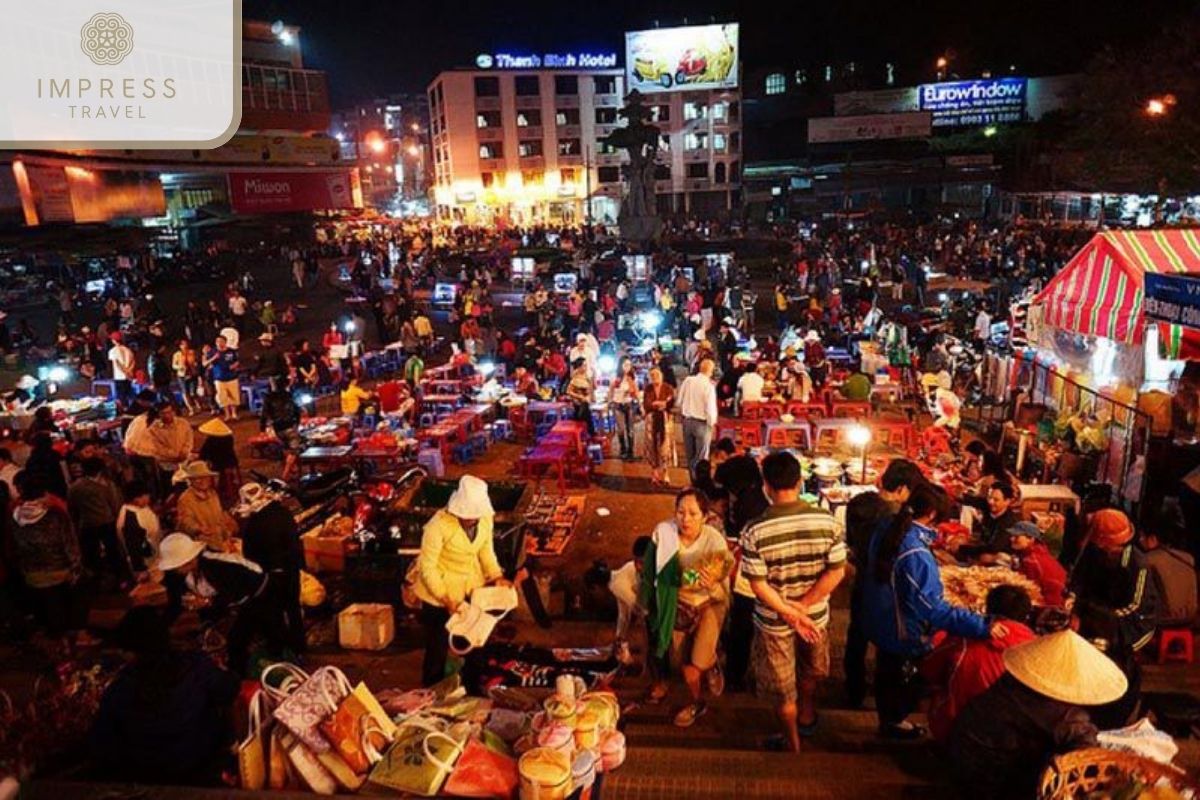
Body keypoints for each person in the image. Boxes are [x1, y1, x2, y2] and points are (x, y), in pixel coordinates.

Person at [863, 483, 1004, 739]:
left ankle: (888, 721)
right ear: (930, 515)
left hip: (881, 619)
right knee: (909, 681)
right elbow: (933, 609)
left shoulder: (887, 527)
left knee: (887, 674)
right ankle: (893, 724)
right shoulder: (916, 552)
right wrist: (981, 625)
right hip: (903, 630)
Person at [740, 452, 846, 751]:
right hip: (815, 617)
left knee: (784, 689)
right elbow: (836, 571)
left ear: (766, 486)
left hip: (775, 622)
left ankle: (793, 743)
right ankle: (808, 716)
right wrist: (804, 606)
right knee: (811, 671)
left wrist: (789, 611)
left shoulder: (754, 531)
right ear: (800, 482)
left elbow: (758, 586)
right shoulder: (827, 521)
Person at [947, 630, 1126, 800]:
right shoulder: (1063, 715)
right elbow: (1085, 755)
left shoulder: (1013, 679)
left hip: (962, 754)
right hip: (992, 781)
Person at [88, 607, 239, 785]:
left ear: (128, 651)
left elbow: (101, 747)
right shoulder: (194, 665)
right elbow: (229, 688)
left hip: (150, 776)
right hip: (200, 766)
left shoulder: (120, 689)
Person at [639, 489, 733, 727]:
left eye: (693, 513)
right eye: (680, 512)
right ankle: (703, 680)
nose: (686, 519)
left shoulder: (714, 539)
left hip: (709, 602)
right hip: (677, 605)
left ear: (705, 516)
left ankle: (701, 686)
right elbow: (650, 571)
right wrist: (646, 603)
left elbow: (724, 573)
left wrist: (711, 580)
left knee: (695, 664)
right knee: (680, 662)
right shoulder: (664, 533)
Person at [843, 459, 926, 709]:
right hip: (885, 587)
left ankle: (853, 691)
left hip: (861, 581)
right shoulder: (893, 518)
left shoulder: (859, 504)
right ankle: (886, 703)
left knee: (856, 638)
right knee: (886, 644)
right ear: (902, 489)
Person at [412, 475, 510, 686]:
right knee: (437, 649)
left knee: (474, 643)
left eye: (475, 515)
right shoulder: (436, 526)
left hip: (470, 588)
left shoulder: (485, 519)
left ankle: (473, 689)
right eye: (468, 515)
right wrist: (446, 599)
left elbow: (486, 550)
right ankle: (429, 694)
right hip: (437, 595)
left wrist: (496, 576)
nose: (472, 519)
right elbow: (427, 567)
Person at [1070, 508, 1158, 728]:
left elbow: (1136, 606)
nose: (1112, 549)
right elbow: (1078, 581)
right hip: (1097, 611)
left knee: (1111, 657)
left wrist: (1095, 619)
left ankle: (1108, 711)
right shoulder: (1093, 551)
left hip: (1128, 620)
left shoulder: (1137, 564)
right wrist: (1073, 601)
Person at [156, 533, 287, 674]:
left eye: (176, 566)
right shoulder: (179, 576)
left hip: (259, 594)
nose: (174, 570)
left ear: (189, 560)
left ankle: (276, 667)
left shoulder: (218, 565)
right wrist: (160, 629)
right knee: (233, 641)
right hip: (234, 603)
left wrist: (207, 602)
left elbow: (238, 592)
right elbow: (176, 603)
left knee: (245, 639)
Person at [921, 585, 1037, 741]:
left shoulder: (962, 639)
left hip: (959, 735)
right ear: (1026, 617)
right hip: (1017, 741)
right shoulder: (1037, 648)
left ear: (988, 609)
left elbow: (929, 671)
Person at [10, 472, 87, 642]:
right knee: (79, 589)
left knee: (49, 604)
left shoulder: (15, 516)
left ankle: (58, 639)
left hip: (32, 573)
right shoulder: (54, 515)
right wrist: (76, 568)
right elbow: (70, 545)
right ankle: (79, 635)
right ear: (43, 492)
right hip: (58, 570)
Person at [235, 482, 305, 655]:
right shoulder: (283, 513)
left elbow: (250, 555)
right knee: (293, 608)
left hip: (270, 575)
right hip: (290, 570)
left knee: (274, 613)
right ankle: (299, 647)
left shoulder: (255, 524)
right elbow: (295, 542)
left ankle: (279, 650)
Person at [67, 457, 127, 586]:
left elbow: (72, 507)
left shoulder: (75, 487)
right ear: (100, 470)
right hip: (107, 522)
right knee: (113, 551)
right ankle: (118, 578)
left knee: (92, 553)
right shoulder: (106, 485)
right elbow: (115, 505)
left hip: (87, 524)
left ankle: (98, 578)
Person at [1139, 525, 1197, 627]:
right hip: (1191, 616)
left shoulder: (1148, 560)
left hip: (1165, 619)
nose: (1140, 541)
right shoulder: (1188, 558)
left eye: (1142, 537)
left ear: (1153, 539)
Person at [175, 461, 237, 553]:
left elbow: (220, 516)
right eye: (197, 478)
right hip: (202, 546)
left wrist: (228, 533)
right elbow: (185, 521)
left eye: (205, 477)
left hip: (219, 542)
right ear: (191, 480)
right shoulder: (185, 499)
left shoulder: (212, 494)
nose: (202, 481)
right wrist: (198, 528)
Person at [609, 535, 651, 665]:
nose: (639, 567)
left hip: (636, 593)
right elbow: (642, 611)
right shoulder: (620, 585)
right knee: (628, 619)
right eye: (637, 562)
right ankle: (624, 657)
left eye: (644, 562)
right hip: (629, 593)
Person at [1009, 521, 1068, 607]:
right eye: (1012, 535)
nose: (1011, 538)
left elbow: (1027, 590)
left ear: (1031, 539)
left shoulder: (1032, 560)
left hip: (1049, 605)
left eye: (1016, 536)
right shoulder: (1038, 552)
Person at [677, 358, 718, 475]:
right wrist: (712, 424)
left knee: (690, 456)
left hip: (687, 421)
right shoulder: (709, 386)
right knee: (701, 458)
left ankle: (692, 480)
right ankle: (700, 483)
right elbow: (710, 409)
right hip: (702, 424)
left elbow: (679, 401)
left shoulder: (688, 380)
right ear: (710, 371)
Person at [117, 480, 160, 575]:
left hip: (154, 557)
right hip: (146, 565)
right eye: (146, 496)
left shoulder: (139, 508)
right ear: (136, 499)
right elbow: (134, 548)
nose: (149, 498)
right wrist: (141, 570)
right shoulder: (130, 520)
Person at [259, 387, 302, 481]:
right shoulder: (288, 395)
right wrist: (297, 423)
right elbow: (297, 410)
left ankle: (292, 468)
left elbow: (264, 414)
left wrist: (262, 429)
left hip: (277, 428)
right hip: (289, 426)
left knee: (286, 448)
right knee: (294, 451)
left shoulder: (269, 397)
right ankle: (285, 475)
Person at [643, 367, 675, 487]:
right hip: (652, 421)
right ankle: (654, 472)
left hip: (665, 420)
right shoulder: (648, 389)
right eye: (653, 376)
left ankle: (666, 472)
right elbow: (646, 404)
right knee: (652, 446)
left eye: (657, 375)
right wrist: (657, 405)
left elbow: (671, 402)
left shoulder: (668, 388)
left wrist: (663, 404)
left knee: (665, 447)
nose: (655, 378)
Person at [610, 357, 640, 460]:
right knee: (621, 428)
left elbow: (636, 392)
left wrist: (634, 396)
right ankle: (622, 448)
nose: (627, 367)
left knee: (630, 429)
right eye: (625, 365)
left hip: (629, 404)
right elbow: (611, 390)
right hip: (618, 405)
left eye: (629, 365)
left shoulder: (632, 378)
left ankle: (630, 451)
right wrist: (610, 401)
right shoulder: (615, 377)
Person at [205, 334, 240, 422]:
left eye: (221, 341)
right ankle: (227, 415)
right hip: (219, 378)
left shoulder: (231, 351)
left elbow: (237, 361)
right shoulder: (212, 352)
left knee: (234, 396)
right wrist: (213, 358)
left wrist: (235, 365)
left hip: (232, 377)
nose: (219, 343)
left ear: (225, 342)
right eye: (217, 342)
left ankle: (234, 414)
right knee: (222, 397)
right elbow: (205, 363)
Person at [565, 358, 596, 436]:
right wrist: (580, 397)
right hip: (578, 403)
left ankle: (590, 433)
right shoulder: (575, 378)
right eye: (584, 366)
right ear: (579, 367)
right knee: (584, 412)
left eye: (586, 365)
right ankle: (591, 433)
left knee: (586, 412)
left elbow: (591, 388)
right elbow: (568, 391)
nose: (585, 367)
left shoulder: (586, 376)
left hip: (586, 402)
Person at [172, 339, 200, 416]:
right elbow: (174, 365)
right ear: (180, 346)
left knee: (193, 392)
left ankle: (198, 404)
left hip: (192, 374)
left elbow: (197, 361)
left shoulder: (192, 352)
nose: (185, 346)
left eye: (186, 344)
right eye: (183, 344)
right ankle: (191, 408)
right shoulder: (177, 354)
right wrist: (179, 367)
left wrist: (195, 364)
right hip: (182, 375)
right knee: (185, 392)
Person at [108, 331, 135, 408]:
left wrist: (125, 372)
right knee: (129, 394)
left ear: (114, 340)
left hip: (119, 376)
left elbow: (117, 364)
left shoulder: (113, 351)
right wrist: (129, 371)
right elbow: (133, 362)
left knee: (121, 397)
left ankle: (124, 411)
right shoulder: (128, 350)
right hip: (129, 376)